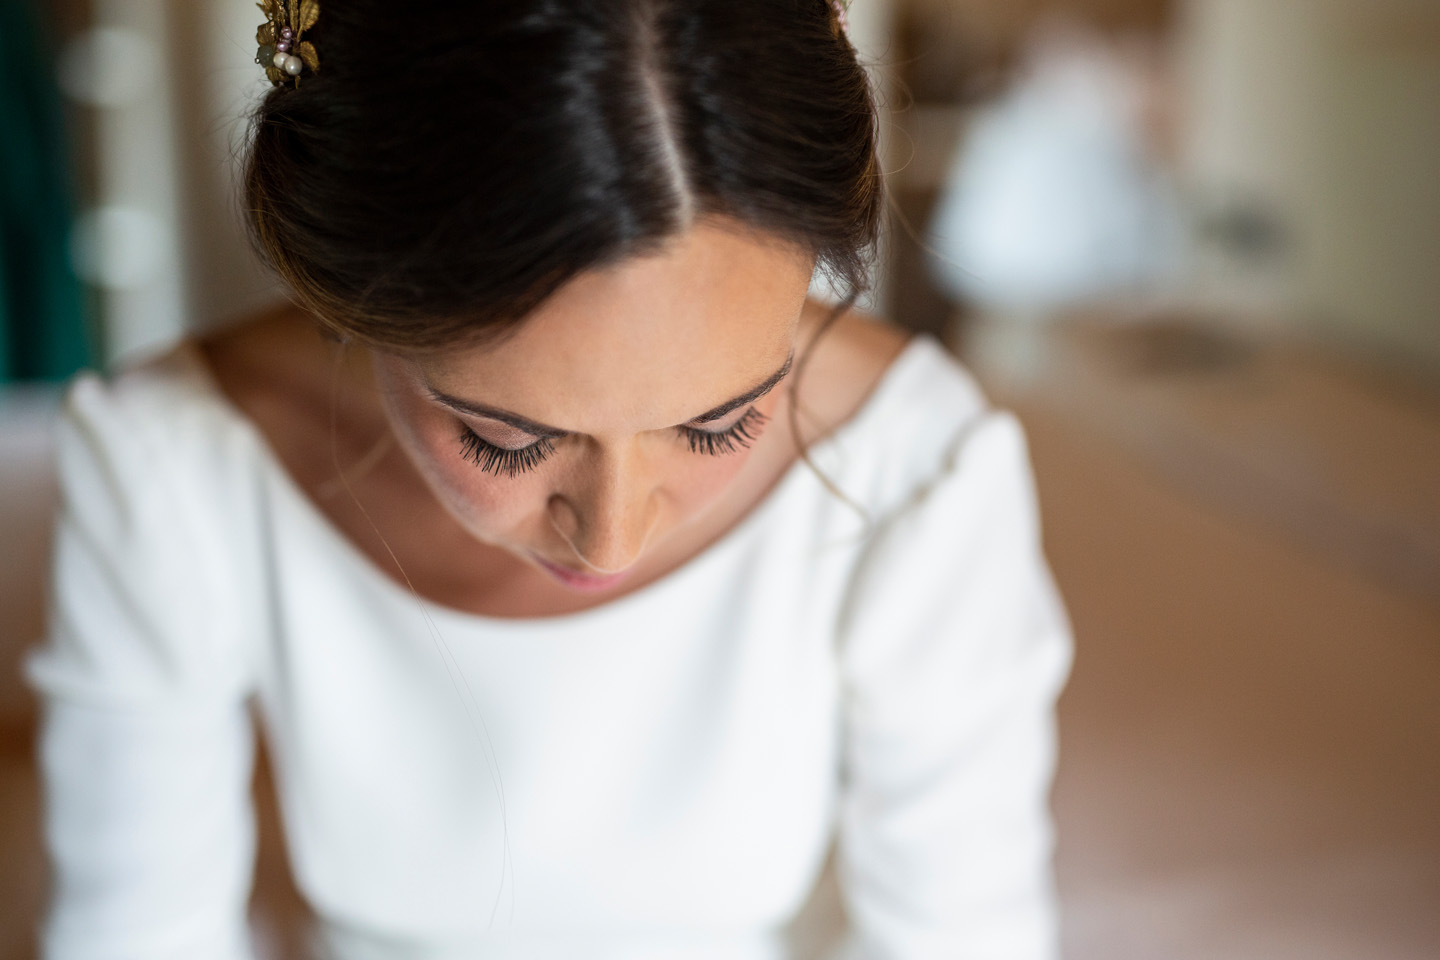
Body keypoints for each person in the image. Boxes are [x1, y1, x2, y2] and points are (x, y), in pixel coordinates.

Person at [27, 1, 1072, 958]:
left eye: (721, 425)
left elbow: (959, 937)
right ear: (352, 299)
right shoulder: (171, 464)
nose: (610, 540)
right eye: (506, 441)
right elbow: (137, 931)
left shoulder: (922, 468)